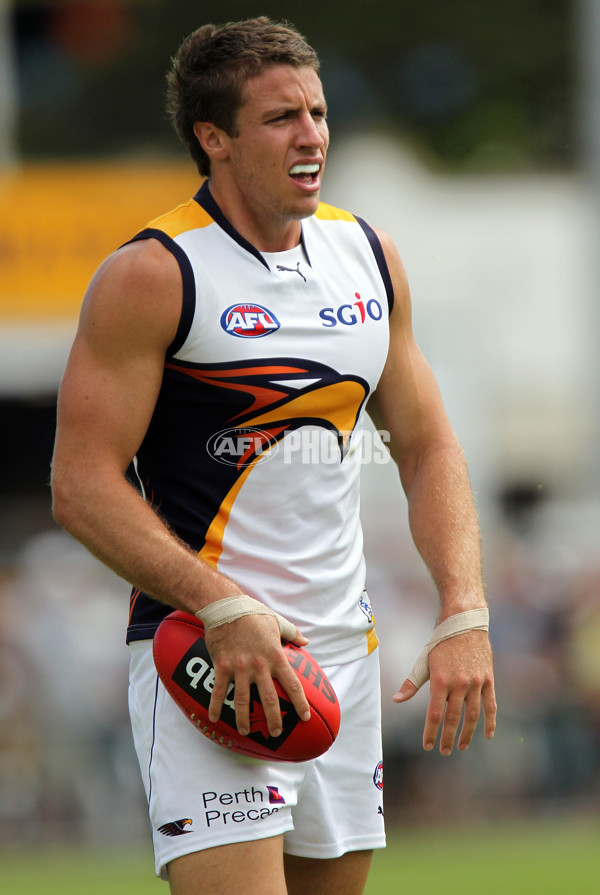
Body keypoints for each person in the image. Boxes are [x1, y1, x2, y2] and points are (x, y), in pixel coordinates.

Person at [51, 16, 496, 895]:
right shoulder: (155, 272)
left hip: (340, 662)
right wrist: (222, 606)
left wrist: (464, 607)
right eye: (282, 117)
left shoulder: (367, 256)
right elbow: (80, 485)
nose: (312, 135)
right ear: (213, 139)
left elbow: (428, 444)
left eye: (319, 112)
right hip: (206, 659)